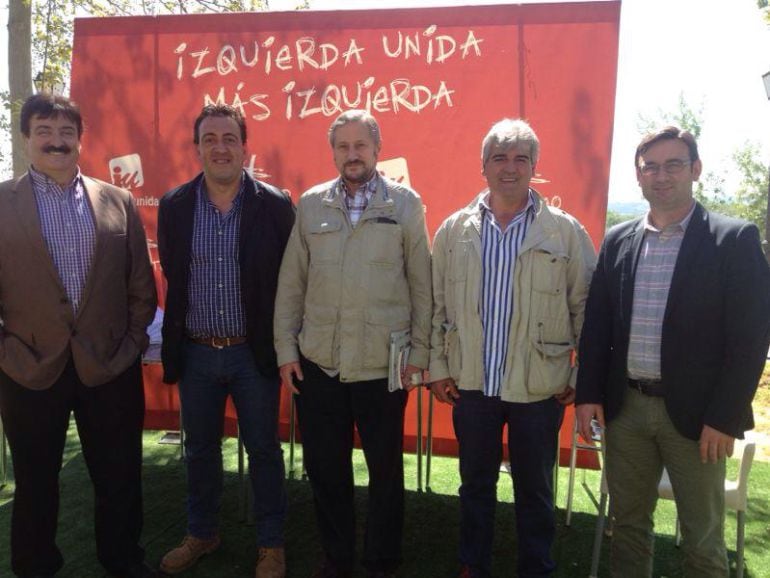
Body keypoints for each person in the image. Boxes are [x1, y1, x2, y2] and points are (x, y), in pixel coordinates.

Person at [575, 126, 770, 577]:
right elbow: (598, 326)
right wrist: (588, 395)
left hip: (700, 421)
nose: (661, 176)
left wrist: (724, 417)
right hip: (627, 411)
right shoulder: (618, 240)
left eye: (674, 164)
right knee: (627, 526)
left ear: (695, 170)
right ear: (638, 176)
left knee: (701, 537)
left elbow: (750, 339)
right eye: (651, 167)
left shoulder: (733, 239)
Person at [429, 118, 596, 578]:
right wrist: (438, 367)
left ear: (534, 167)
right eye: (499, 157)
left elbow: (588, 310)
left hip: (539, 387)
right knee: (475, 486)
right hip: (473, 383)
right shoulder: (453, 231)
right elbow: (436, 306)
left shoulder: (564, 232)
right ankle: (472, 564)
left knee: (535, 489)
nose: (510, 166)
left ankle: (536, 568)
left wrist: (581, 376)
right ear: (483, 165)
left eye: (521, 157)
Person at [0, 93, 158, 577]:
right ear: (27, 139)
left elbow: (139, 285)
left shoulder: (118, 201)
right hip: (27, 367)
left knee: (119, 476)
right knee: (35, 482)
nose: (57, 141)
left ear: (80, 141)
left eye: (66, 132)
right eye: (44, 131)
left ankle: (123, 559)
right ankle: (35, 565)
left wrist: (130, 346)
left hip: (109, 364)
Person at [273, 109, 432, 578]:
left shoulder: (406, 205)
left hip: (386, 366)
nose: (352, 154)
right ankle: (337, 560)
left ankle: (382, 561)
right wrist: (286, 350)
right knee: (327, 471)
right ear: (333, 152)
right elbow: (291, 285)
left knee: (385, 473)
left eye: (360, 145)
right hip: (320, 363)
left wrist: (420, 354)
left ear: (377, 149)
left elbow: (422, 285)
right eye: (342, 146)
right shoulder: (311, 205)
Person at [157, 104, 294, 578]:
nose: (220, 147)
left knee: (263, 450)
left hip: (252, 353)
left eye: (230, 138)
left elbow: (290, 279)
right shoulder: (174, 206)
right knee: (198, 451)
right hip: (196, 352)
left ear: (244, 146)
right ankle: (202, 532)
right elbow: (175, 273)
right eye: (210, 138)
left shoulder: (274, 204)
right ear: (197, 147)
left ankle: (271, 543)